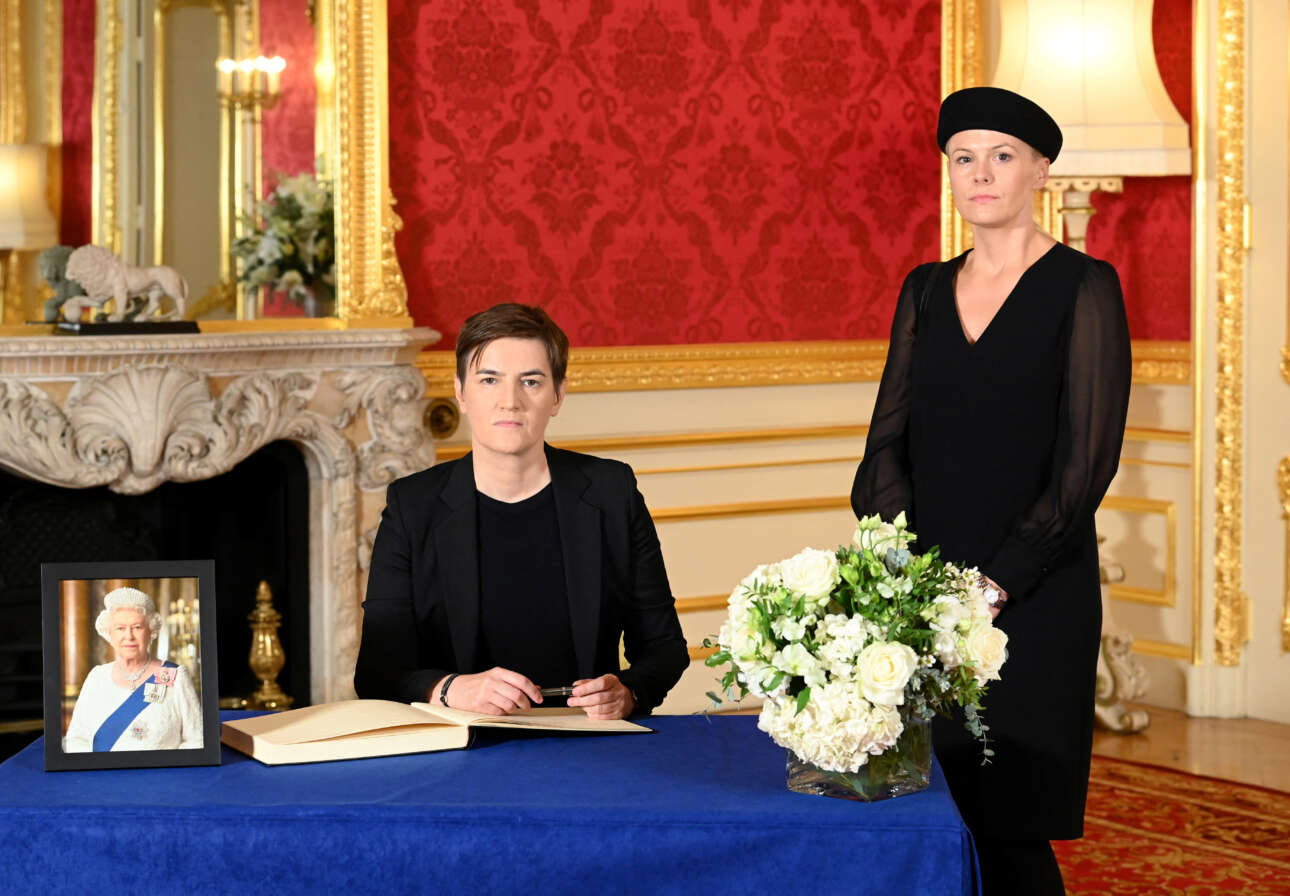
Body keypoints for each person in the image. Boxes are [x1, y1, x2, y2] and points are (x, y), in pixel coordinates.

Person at [850, 86, 1132, 895]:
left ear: (1040, 171)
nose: (979, 174)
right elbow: (885, 446)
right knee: (932, 814)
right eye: (963, 158)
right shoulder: (924, 290)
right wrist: (913, 576)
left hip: (1036, 595)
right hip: (926, 591)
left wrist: (994, 585)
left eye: (1001, 156)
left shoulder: (1084, 286)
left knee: (1012, 826)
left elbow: (1086, 466)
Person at [355, 303, 689, 719]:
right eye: (489, 380)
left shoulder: (611, 492)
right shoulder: (412, 506)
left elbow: (664, 646)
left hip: (588, 736)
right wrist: (450, 689)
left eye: (530, 381)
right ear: (461, 392)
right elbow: (377, 672)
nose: (509, 402)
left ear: (558, 395)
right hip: (461, 736)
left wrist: (629, 691)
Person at [64, 587, 204, 751]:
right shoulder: (97, 677)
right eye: (120, 628)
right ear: (110, 634)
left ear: (151, 631)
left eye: (137, 627)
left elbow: (197, 740)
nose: (129, 636)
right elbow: (76, 740)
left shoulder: (175, 676)